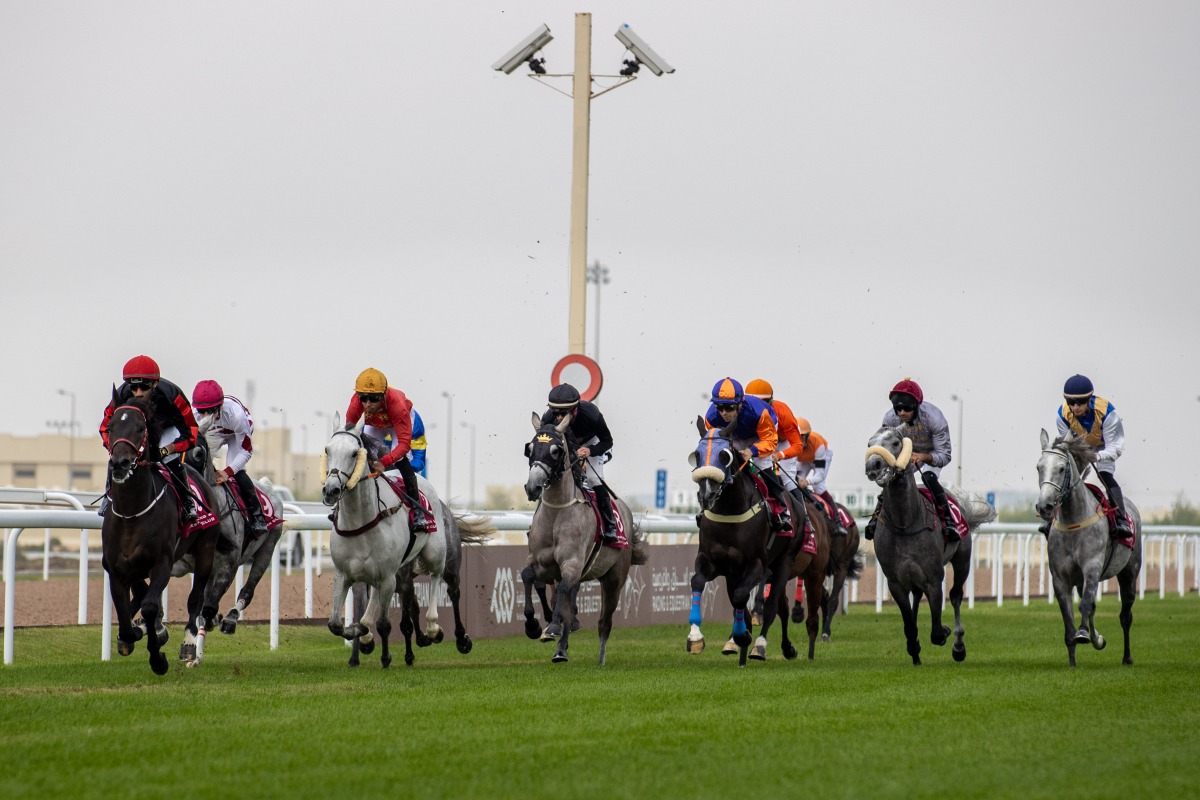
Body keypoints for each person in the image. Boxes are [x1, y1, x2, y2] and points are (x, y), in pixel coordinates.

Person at [99, 355, 199, 524]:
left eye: (144, 387)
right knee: (118, 456)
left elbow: (191, 433)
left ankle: (187, 501)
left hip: (166, 429)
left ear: (155, 384)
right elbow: (105, 427)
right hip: (138, 430)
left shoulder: (173, 395)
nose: (138, 393)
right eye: (134, 387)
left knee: (169, 458)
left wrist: (168, 449)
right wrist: (114, 447)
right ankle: (108, 495)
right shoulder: (122, 393)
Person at [344, 368, 431, 534]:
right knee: (360, 453)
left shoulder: (397, 406)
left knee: (401, 459)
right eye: (363, 397)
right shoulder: (356, 404)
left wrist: (384, 463)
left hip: (398, 422)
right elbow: (350, 436)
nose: (367, 403)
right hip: (375, 424)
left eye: (374, 398)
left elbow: (404, 444)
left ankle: (417, 510)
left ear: (383, 395)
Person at [1045, 374, 1132, 541]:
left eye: (1080, 402)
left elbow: (1116, 448)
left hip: (1105, 446)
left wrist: (1097, 456)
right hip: (1081, 445)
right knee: (1065, 476)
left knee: (1104, 475)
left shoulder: (1108, 413)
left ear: (1089, 399)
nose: (1075, 407)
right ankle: (1051, 519)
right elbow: (1069, 444)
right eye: (1071, 402)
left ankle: (1121, 520)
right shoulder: (1062, 415)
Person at [864, 378, 954, 540]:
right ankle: (876, 518)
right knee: (890, 478)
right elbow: (887, 447)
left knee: (929, 478)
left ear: (917, 406)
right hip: (905, 453)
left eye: (907, 408)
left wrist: (922, 457)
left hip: (930, 454)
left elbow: (945, 455)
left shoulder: (935, 418)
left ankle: (948, 522)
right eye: (898, 409)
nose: (902, 413)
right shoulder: (889, 419)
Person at [705, 377, 791, 533]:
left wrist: (752, 451)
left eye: (729, 407)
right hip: (734, 434)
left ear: (740, 403)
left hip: (762, 432)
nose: (724, 413)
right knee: (718, 463)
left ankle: (781, 509)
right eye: (719, 407)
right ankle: (707, 505)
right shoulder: (711, 417)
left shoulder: (758, 412)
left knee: (762, 464)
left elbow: (770, 440)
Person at [541, 383, 619, 544]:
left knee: (592, 478)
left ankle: (610, 526)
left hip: (593, 442)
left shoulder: (592, 414)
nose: (559, 418)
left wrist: (590, 451)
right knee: (548, 478)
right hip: (567, 446)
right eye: (555, 413)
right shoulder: (548, 419)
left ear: (575, 409)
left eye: (563, 413)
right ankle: (538, 524)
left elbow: (607, 441)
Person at [190, 380, 268, 536]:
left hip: (237, 433)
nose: (204, 416)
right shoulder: (193, 414)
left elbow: (246, 451)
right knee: (195, 462)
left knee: (236, 471)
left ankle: (258, 517)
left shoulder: (237, 415)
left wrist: (227, 471)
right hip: (216, 432)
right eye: (201, 411)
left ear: (220, 406)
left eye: (209, 411)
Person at [745, 379, 810, 534]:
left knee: (787, 480)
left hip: (782, 442)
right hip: (759, 438)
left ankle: (803, 520)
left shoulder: (783, 411)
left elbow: (797, 445)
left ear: (771, 401)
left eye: (763, 402)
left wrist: (779, 455)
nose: (758, 406)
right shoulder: (744, 410)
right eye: (753, 401)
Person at [791, 418, 849, 536]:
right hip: (804, 461)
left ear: (808, 436)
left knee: (818, 486)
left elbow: (820, 476)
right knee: (794, 483)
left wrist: (807, 482)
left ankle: (838, 522)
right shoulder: (792, 444)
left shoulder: (818, 445)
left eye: (802, 437)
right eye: (797, 436)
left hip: (822, 456)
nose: (800, 440)